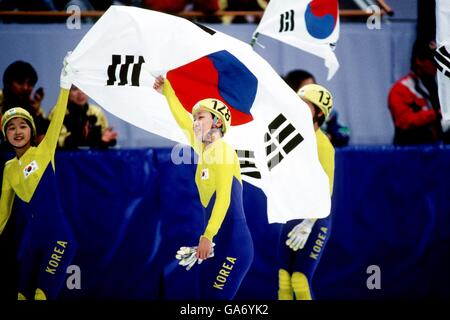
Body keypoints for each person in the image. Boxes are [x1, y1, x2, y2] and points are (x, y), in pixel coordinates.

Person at [153, 75, 254, 300]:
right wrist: (167, 90)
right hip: (218, 243)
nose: (194, 122)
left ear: (217, 122)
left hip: (233, 244)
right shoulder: (203, 149)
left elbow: (224, 198)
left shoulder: (224, 151)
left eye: (200, 117)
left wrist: (207, 236)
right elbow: (181, 119)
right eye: (195, 118)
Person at [0, 54, 76, 300]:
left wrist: (65, 84)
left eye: (23, 126)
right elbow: (2, 213)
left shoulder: (43, 152)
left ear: (31, 130)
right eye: (11, 127)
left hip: (59, 239)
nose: (17, 131)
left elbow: (57, 120)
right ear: (5, 134)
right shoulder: (8, 168)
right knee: (22, 296)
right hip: (33, 243)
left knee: (41, 296)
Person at [278, 84, 335, 300]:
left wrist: (309, 222)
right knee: (283, 277)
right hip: (294, 213)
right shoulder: (291, 137)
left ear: (319, 113)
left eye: (304, 106)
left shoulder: (323, 146)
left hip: (315, 218)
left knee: (299, 279)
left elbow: (326, 189)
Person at [388, 40, 445, 145]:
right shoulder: (401, 89)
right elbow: (403, 121)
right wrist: (436, 114)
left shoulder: (439, 87)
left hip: (437, 151)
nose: (437, 65)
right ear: (419, 61)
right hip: (409, 152)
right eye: (433, 61)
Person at [284, 69, 350, 147]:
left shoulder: (323, 111)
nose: (314, 91)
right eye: (307, 88)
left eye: (314, 86)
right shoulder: (282, 111)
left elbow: (345, 132)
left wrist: (330, 136)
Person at [49, 85, 118, 149]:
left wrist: (105, 140)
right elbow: (58, 142)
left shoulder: (96, 112)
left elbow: (103, 138)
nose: (80, 92)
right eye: (75, 89)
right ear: (67, 91)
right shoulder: (58, 112)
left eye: (83, 87)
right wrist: (82, 137)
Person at [0, 60, 49, 145]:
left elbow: (43, 141)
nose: (26, 88)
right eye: (20, 82)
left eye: (30, 84)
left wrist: (36, 114)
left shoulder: (34, 108)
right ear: (8, 83)